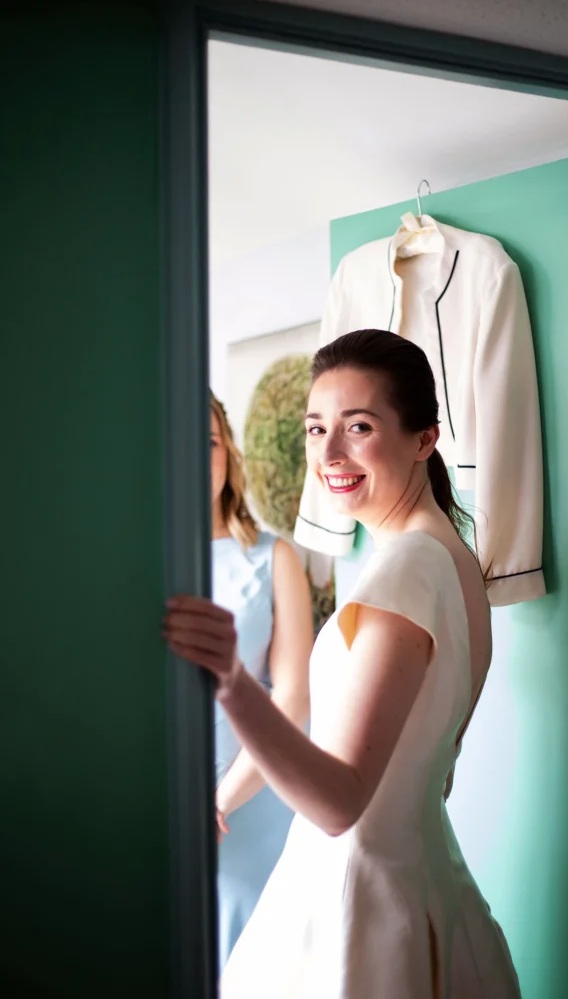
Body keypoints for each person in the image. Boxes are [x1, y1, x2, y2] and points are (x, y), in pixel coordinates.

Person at [165, 337, 521, 998]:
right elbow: (430, 775)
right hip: (417, 884)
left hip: (359, 916)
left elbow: (338, 805)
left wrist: (233, 683)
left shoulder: (408, 570)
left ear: (424, 439)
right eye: (315, 428)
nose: (328, 455)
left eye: (358, 427)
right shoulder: (448, 557)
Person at [207, 392, 313, 972]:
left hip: (250, 807)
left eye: (210, 441)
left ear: (230, 457)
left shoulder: (274, 559)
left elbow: (294, 699)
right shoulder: (132, 562)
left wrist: (215, 808)